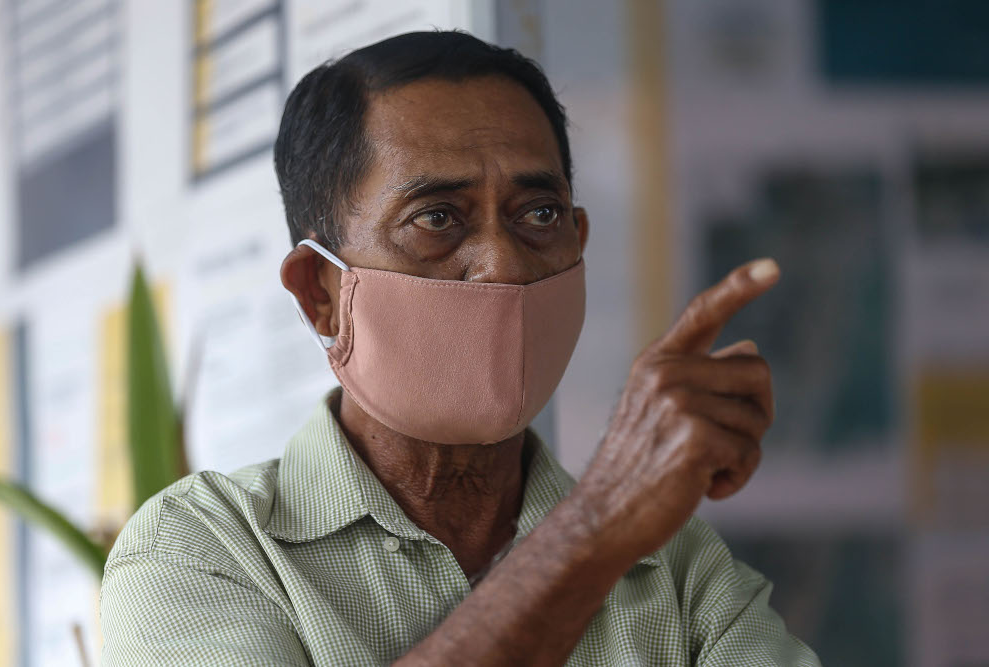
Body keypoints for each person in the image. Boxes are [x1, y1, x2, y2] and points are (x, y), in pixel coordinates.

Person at [100, 31, 821, 666]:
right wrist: (595, 529)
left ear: (579, 245)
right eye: (436, 218)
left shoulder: (678, 572)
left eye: (538, 215)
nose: (503, 265)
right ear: (320, 291)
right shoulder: (199, 554)